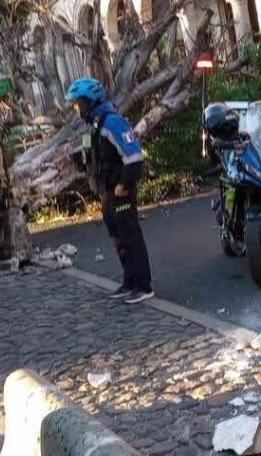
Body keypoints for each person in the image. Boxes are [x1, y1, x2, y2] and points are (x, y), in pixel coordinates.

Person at [66, 77, 154, 304]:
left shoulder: (112, 122)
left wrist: (123, 185)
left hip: (120, 191)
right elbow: (98, 157)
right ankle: (130, 281)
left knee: (130, 236)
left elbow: (134, 156)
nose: (75, 108)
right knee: (118, 238)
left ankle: (143, 286)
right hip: (107, 193)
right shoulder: (94, 125)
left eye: (77, 103)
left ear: (88, 101)